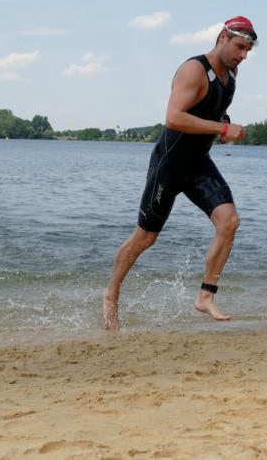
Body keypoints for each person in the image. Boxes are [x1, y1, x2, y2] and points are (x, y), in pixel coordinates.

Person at [103, 16, 258, 330]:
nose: (243, 55)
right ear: (223, 37)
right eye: (240, 47)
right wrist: (222, 129)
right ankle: (111, 292)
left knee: (229, 221)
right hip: (169, 165)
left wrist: (223, 123)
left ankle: (205, 296)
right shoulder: (193, 70)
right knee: (145, 238)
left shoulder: (231, 73)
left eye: (248, 50)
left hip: (198, 163)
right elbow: (174, 117)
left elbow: (212, 108)